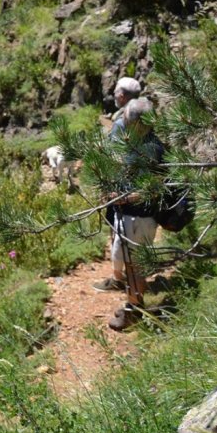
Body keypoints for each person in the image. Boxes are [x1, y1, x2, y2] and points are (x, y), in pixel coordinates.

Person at [104, 98, 164, 331]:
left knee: (134, 264)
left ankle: (134, 311)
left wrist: (126, 198)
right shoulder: (144, 143)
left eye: (129, 121)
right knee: (130, 262)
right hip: (130, 215)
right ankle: (134, 302)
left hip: (139, 217)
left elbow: (157, 187)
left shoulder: (153, 150)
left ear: (140, 124)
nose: (125, 124)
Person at [94, 76, 144, 293]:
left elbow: (113, 155)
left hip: (123, 187)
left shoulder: (122, 121)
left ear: (122, 96)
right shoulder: (145, 115)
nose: (114, 96)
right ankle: (131, 276)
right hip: (140, 185)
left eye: (115, 93)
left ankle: (120, 278)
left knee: (117, 227)